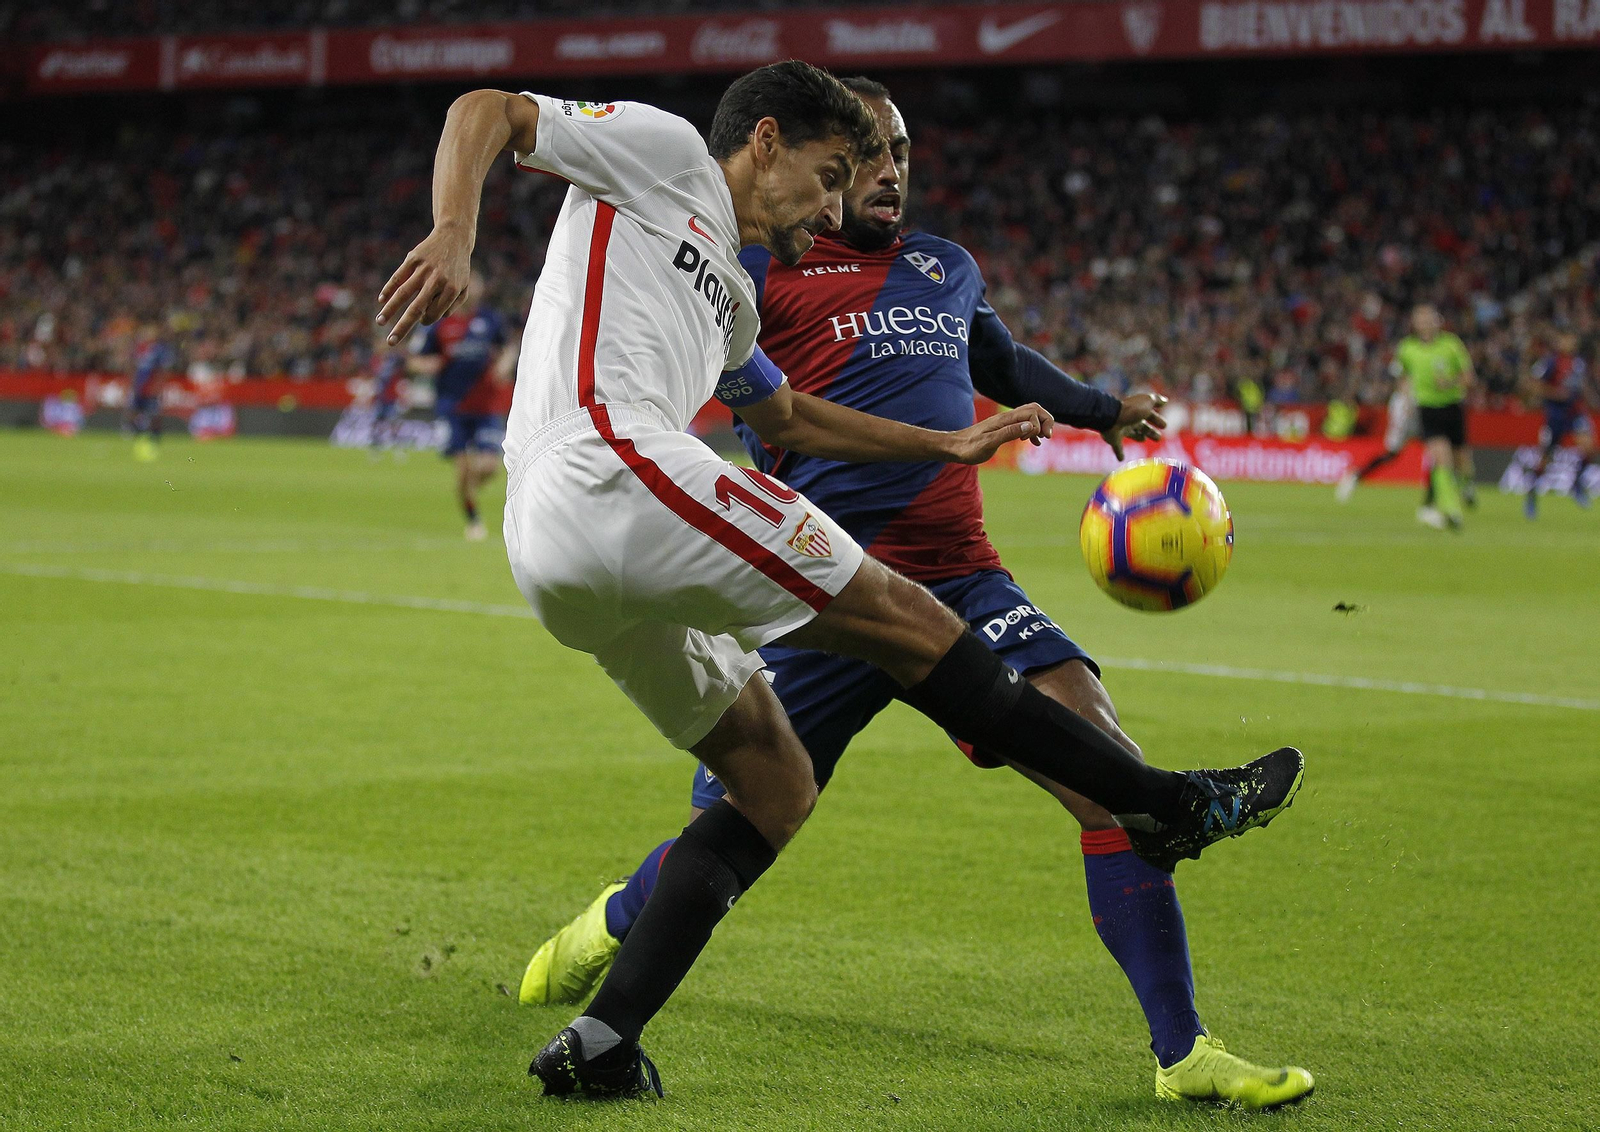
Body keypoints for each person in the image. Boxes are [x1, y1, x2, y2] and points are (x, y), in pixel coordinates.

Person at [377, 61, 1304, 1101]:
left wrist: (945, 446)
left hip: (572, 558)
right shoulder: (669, 152)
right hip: (606, 463)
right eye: (826, 175)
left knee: (773, 780)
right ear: (764, 141)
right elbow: (485, 111)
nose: (833, 203)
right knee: (904, 613)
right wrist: (453, 230)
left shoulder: (731, 294)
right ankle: (1165, 802)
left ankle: (600, 1041)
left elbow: (789, 420)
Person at [410, 270, 510, 539]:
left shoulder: (490, 320)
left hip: (486, 404)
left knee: (489, 467)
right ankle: (473, 519)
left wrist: (503, 364)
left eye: (474, 283)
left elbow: (507, 348)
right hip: (452, 406)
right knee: (463, 467)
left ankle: (468, 492)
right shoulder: (439, 322)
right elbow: (415, 359)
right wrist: (429, 365)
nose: (471, 288)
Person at [1394, 305, 1475, 530]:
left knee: (1462, 460)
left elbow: (1469, 378)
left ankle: (1467, 485)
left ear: (1436, 321)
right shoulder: (1407, 348)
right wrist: (1405, 400)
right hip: (1427, 409)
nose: (1425, 323)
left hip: (1452, 406)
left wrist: (1450, 383)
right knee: (1441, 458)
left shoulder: (1451, 344)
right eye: (1420, 319)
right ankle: (1451, 510)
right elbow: (1403, 376)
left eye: (1428, 319)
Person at [1522, 331, 1595, 517]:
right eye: (1566, 338)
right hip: (1555, 416)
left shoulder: (1578, 362)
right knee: (1545, 459)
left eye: (1571, 338)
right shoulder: (1550, 362)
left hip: (1575, 413)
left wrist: (1589, 398)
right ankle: (1531, 494)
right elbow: (1534, 385)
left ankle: (1577, 483)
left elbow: (1582, 385)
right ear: (1560, 341)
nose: (1569, 342)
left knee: (1588, 447)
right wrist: (1556, 393)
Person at [1336, 362, 1415, 502]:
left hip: (1416, 406)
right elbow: (1402, 384)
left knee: (1434, 448)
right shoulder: (1400, 398)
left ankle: (1433, 500)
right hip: (1405, 407)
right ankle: (1356, 476)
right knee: (1391, 453)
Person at [126, 324, 175, 462]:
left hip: (151, 388)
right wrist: (133, 383)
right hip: (139, 387)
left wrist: (158, 387)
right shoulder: (140, 349)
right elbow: (133, 367)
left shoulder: (160, 350)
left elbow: (163, 371)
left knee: (154, 415)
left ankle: (155, 439)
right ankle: (137, 436)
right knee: (133, 412)